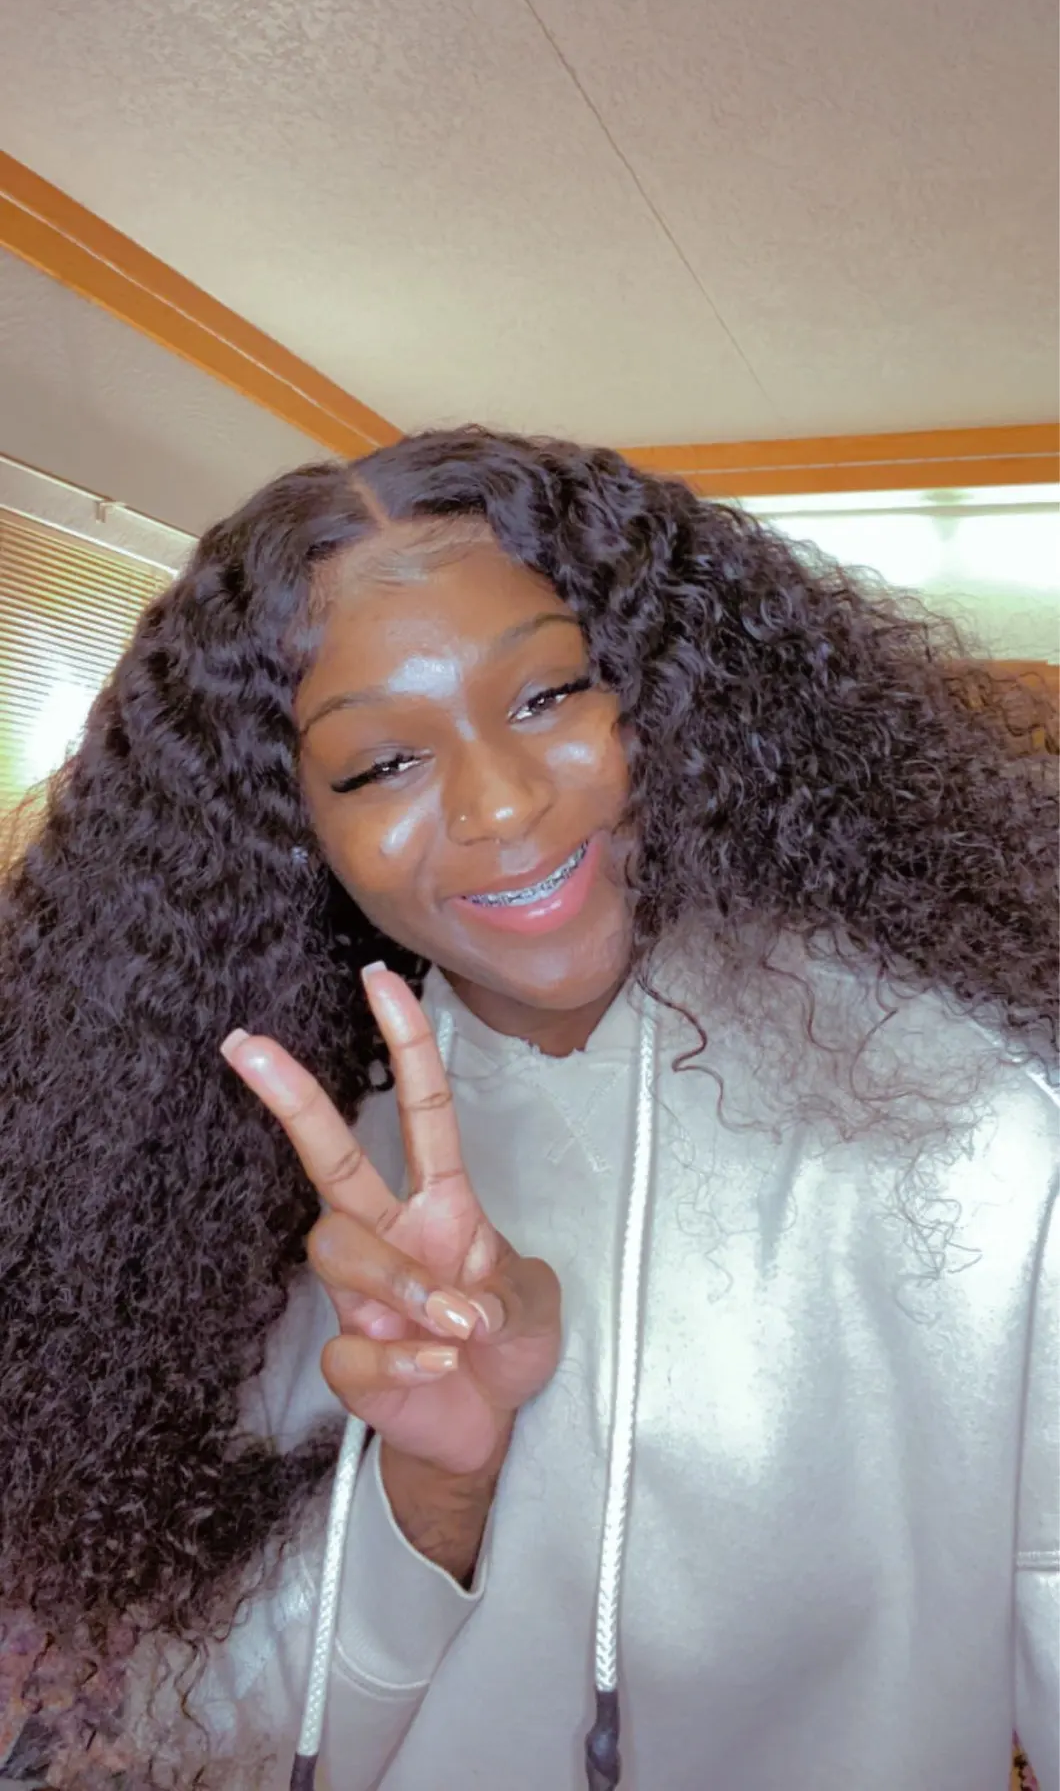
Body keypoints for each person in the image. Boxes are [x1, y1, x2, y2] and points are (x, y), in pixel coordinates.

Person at [0, 427, 1055, 1791]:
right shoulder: (246, 1184)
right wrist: (433, 1490)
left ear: (668, 693)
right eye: (380, 765)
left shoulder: (979, 1131)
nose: (501, 805)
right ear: (291, 826)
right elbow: (215, 1744)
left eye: (550, 693)